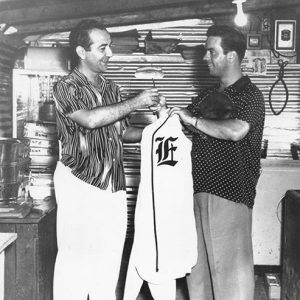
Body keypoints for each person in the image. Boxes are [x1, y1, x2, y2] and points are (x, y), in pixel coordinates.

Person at [52, 19, 163, 300]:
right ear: (81, 51)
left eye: (110, 46)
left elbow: (123, 131)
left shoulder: (112, 88)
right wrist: (137, 102)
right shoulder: (66, 87)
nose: (109, 53)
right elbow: (89, 120)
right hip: (80, 182)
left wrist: (159, 127)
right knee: (75, 264)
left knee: (109, 261)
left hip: (113, 184)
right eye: (102, 47)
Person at [169, 25, 265, 300]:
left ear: (232, 56)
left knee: (230, 278)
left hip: (229, 194)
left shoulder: (250, 94)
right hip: (197, 192)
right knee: (197, 277)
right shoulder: (206, 97)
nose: (205, 57)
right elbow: (183, 124)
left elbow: (236, 130)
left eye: (212, 51)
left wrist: (192, 120)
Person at [123, 106, 197, 300]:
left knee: (156, 262)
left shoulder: (158, 132)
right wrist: (163, 113)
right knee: (148, 256)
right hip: (163, 212)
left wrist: (163, 115)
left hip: (160, 213)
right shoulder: (167, 131)